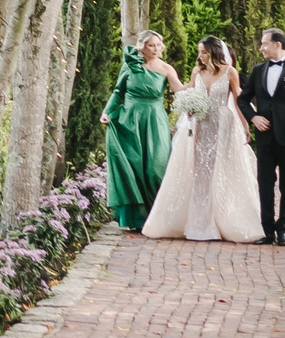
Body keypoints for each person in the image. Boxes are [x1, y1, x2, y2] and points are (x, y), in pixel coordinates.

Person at [139, 35, 262, 242]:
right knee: (200, 171)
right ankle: (200, 223)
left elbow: (237, 99)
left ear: (214, 52)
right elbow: (188, 91)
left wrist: (244, 125)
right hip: (200, 125)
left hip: (223, 124)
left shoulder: (230, 72)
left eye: (204, 52)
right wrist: (187, 105)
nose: (201, 56)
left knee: (221, 169)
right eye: (199, 52)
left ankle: (223, 218)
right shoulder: (197, 71)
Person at [239, 25, 285, 245]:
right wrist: (253, 117)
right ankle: (268, 231)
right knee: (265, 183)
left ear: (277, 44)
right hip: (265, 138)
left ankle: (284, 229)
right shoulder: (258, 70)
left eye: (264, 44)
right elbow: (243, 99)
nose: (261, 48)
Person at [101, 32, 178, 231]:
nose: (156, 49)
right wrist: (107, 111)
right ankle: (137, 220)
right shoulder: (130, 66)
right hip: (129, 120)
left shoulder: (166, 68)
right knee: (134, 168)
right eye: (151, 45)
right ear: (142, 46)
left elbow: (180, 90)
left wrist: (198, 78)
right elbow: (118, 91)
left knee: (156, 168)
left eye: (158, 45)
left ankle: (158, 217)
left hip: (154, 120)